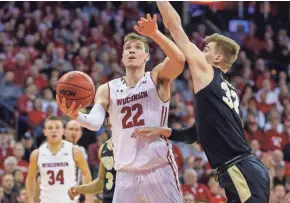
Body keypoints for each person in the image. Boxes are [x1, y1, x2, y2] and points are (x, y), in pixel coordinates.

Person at [134, 2, 270, 202]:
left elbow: (175, 27)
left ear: (218, 57)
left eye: (206, 49)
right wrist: (162, 131)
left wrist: (156, 26)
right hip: (245, 170)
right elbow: (195, 134)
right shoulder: (227, 89)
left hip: (240, 169)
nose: (199, 52)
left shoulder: (208, 73)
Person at [57, 14, 185, 203]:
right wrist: (77, 115)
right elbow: (94, 123)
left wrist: (155, 34)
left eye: (138, 48)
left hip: (158, 168)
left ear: (147, 56)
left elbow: (179, 60)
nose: (132, 51)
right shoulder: (107, 89)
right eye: (127, 48)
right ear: (123, 57)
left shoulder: (156, 78)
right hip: (125, 173)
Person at [25, 116, 92, 203]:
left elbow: (86, 174)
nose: (54, 130)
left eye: (57, 127)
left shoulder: (75, 151)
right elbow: (31, 178)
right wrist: (30, 200)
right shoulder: (37, 154)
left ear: (63, 131)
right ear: (44, 132)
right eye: (50, 128)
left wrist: (89, 198)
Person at [68, 138, 116, 203]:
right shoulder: (104, 148)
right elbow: (101, 182)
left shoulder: (133, 143)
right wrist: (80, 189)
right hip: (109, 199)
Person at [64, 120, 92, 202]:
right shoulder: (58, 148)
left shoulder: (82, 150)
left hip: (75, 195)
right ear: (64, 131)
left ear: (81, 134)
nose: (74, 132)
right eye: (71, 129)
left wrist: (88, 197)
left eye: (77, 130)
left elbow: (85, 174)